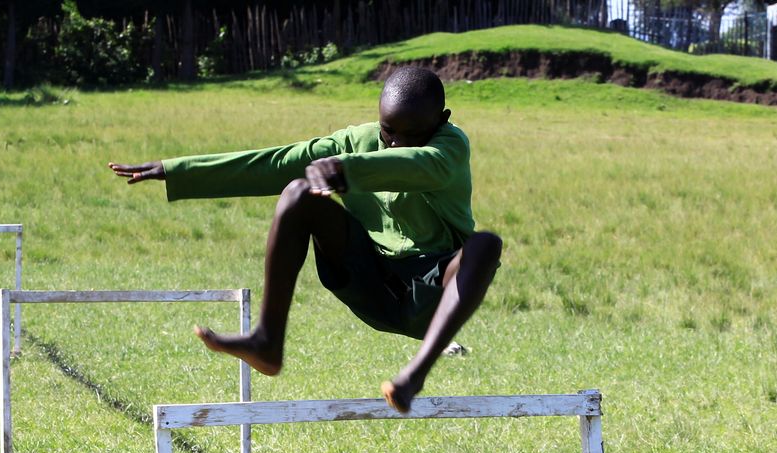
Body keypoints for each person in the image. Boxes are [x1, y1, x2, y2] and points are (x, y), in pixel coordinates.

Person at [108, 66, 502, 413]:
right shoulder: (356, 141)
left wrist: (348, 170)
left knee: (486, 245)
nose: (395, 143)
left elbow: (421, 166)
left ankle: (413, 377)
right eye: (388, 131)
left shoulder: (451, 146)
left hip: (432, 297)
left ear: (442, 119)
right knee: (297, 193)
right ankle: (266, 341)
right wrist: (177, 170)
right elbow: (277, 162)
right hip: (370, 282)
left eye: (411, 135)